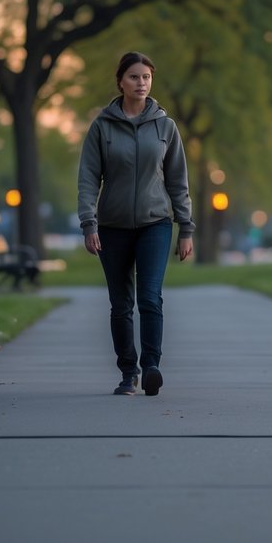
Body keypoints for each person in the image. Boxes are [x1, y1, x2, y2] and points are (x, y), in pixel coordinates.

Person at [77, 51, 195, 396]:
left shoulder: (165, 127)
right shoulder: (101, 127)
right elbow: (88, 178)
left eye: (146, 77)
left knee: (150, 298)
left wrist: (186, 228)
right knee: (120, 304)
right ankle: (128, 372)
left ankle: (152, 366)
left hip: (155, 223)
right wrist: (89, 223)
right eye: (134, 77)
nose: (141, 83)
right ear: (120, 82)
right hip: (111, 226)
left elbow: (177, 180)